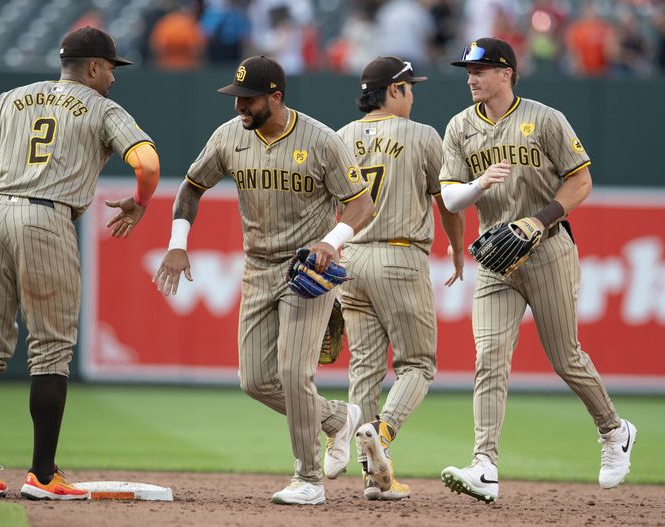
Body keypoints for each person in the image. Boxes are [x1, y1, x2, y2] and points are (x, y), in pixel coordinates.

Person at [0, 26, 160, 500]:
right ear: (95, 67)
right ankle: (42, 476)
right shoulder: (103, 107)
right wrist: (140, 202)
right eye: (111, 69)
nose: (114, 79)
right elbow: (148, 165)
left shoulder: (11, 98)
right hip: (46, 218)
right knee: (51, 352)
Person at [152, 55, 375, 505]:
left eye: (248, 99)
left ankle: (309, 479)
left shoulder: (321, 140)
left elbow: (360, 203)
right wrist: (178, 240)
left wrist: (332, 241)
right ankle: (338, 418)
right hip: (256, 268)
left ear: (275, 97)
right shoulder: (229, 136)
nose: (240, 107)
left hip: (306, 269)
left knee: (294, 372)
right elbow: (193, 185)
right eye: (236, 98)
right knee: (255, 380)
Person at [437, 37, 636, 503]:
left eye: (480, 70)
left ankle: (614, 430)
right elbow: (448, 198)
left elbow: (581, 179)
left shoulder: (544, 119)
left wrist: (540, 219)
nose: (471, 78)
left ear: (506, 72)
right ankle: (484, 464)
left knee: (565, 356)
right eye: (468, 70)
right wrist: (479, 182)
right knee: (489, 357)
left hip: (547, 248)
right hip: (495, 256)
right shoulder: (460, 127)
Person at [336, 56, 464, 500]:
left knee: (365, 369)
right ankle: (383, 434)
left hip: (350, 258)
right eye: (409, 88)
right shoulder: (423, 135)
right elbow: (447, 199)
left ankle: (373, 476)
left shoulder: (340, 137)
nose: (412, 95)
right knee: (418, 364)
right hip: (398, 255)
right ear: (393, 91)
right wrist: (456, 245)